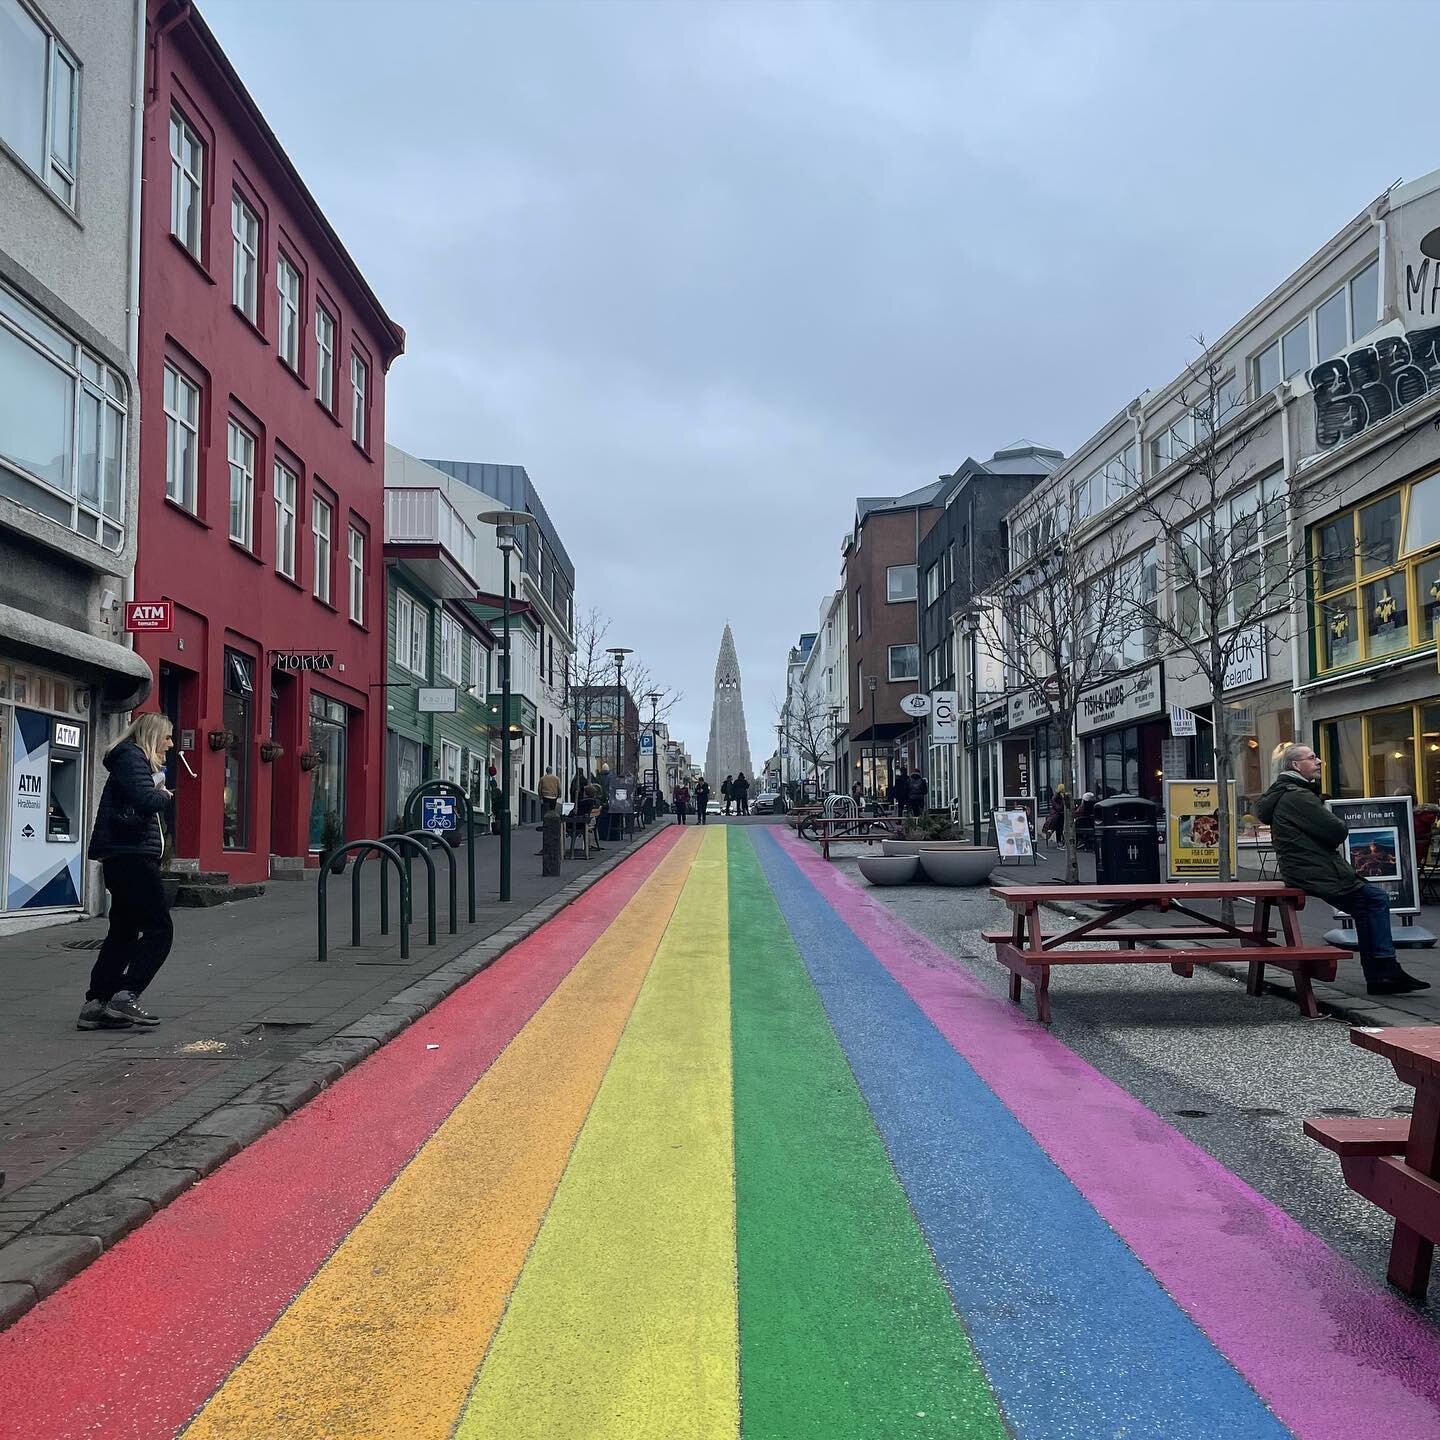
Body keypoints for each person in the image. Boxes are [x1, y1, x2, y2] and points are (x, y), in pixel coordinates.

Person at [1256, 744, 1429, 995]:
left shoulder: (1287, 793)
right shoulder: (1298, 796)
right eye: (1312, 758)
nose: (1319, 761)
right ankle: (1384, 970)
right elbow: (1337, 830)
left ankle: (1382, 974)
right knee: (1375, 899)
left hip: (1303, 868)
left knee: (1367, 906)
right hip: (1314, 870)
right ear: (1295, 766)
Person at [78, 713, 176, 1030]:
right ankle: (125, 994)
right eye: (167, 737)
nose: (171, 745)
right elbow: (144, 799)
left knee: (122, 931)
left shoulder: (131, 760)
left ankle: (97, 1005)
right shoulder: (133, 758)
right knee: (160, 929)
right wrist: (162, 794)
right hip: (131, 855)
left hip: (122, 855)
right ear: (152, 736)